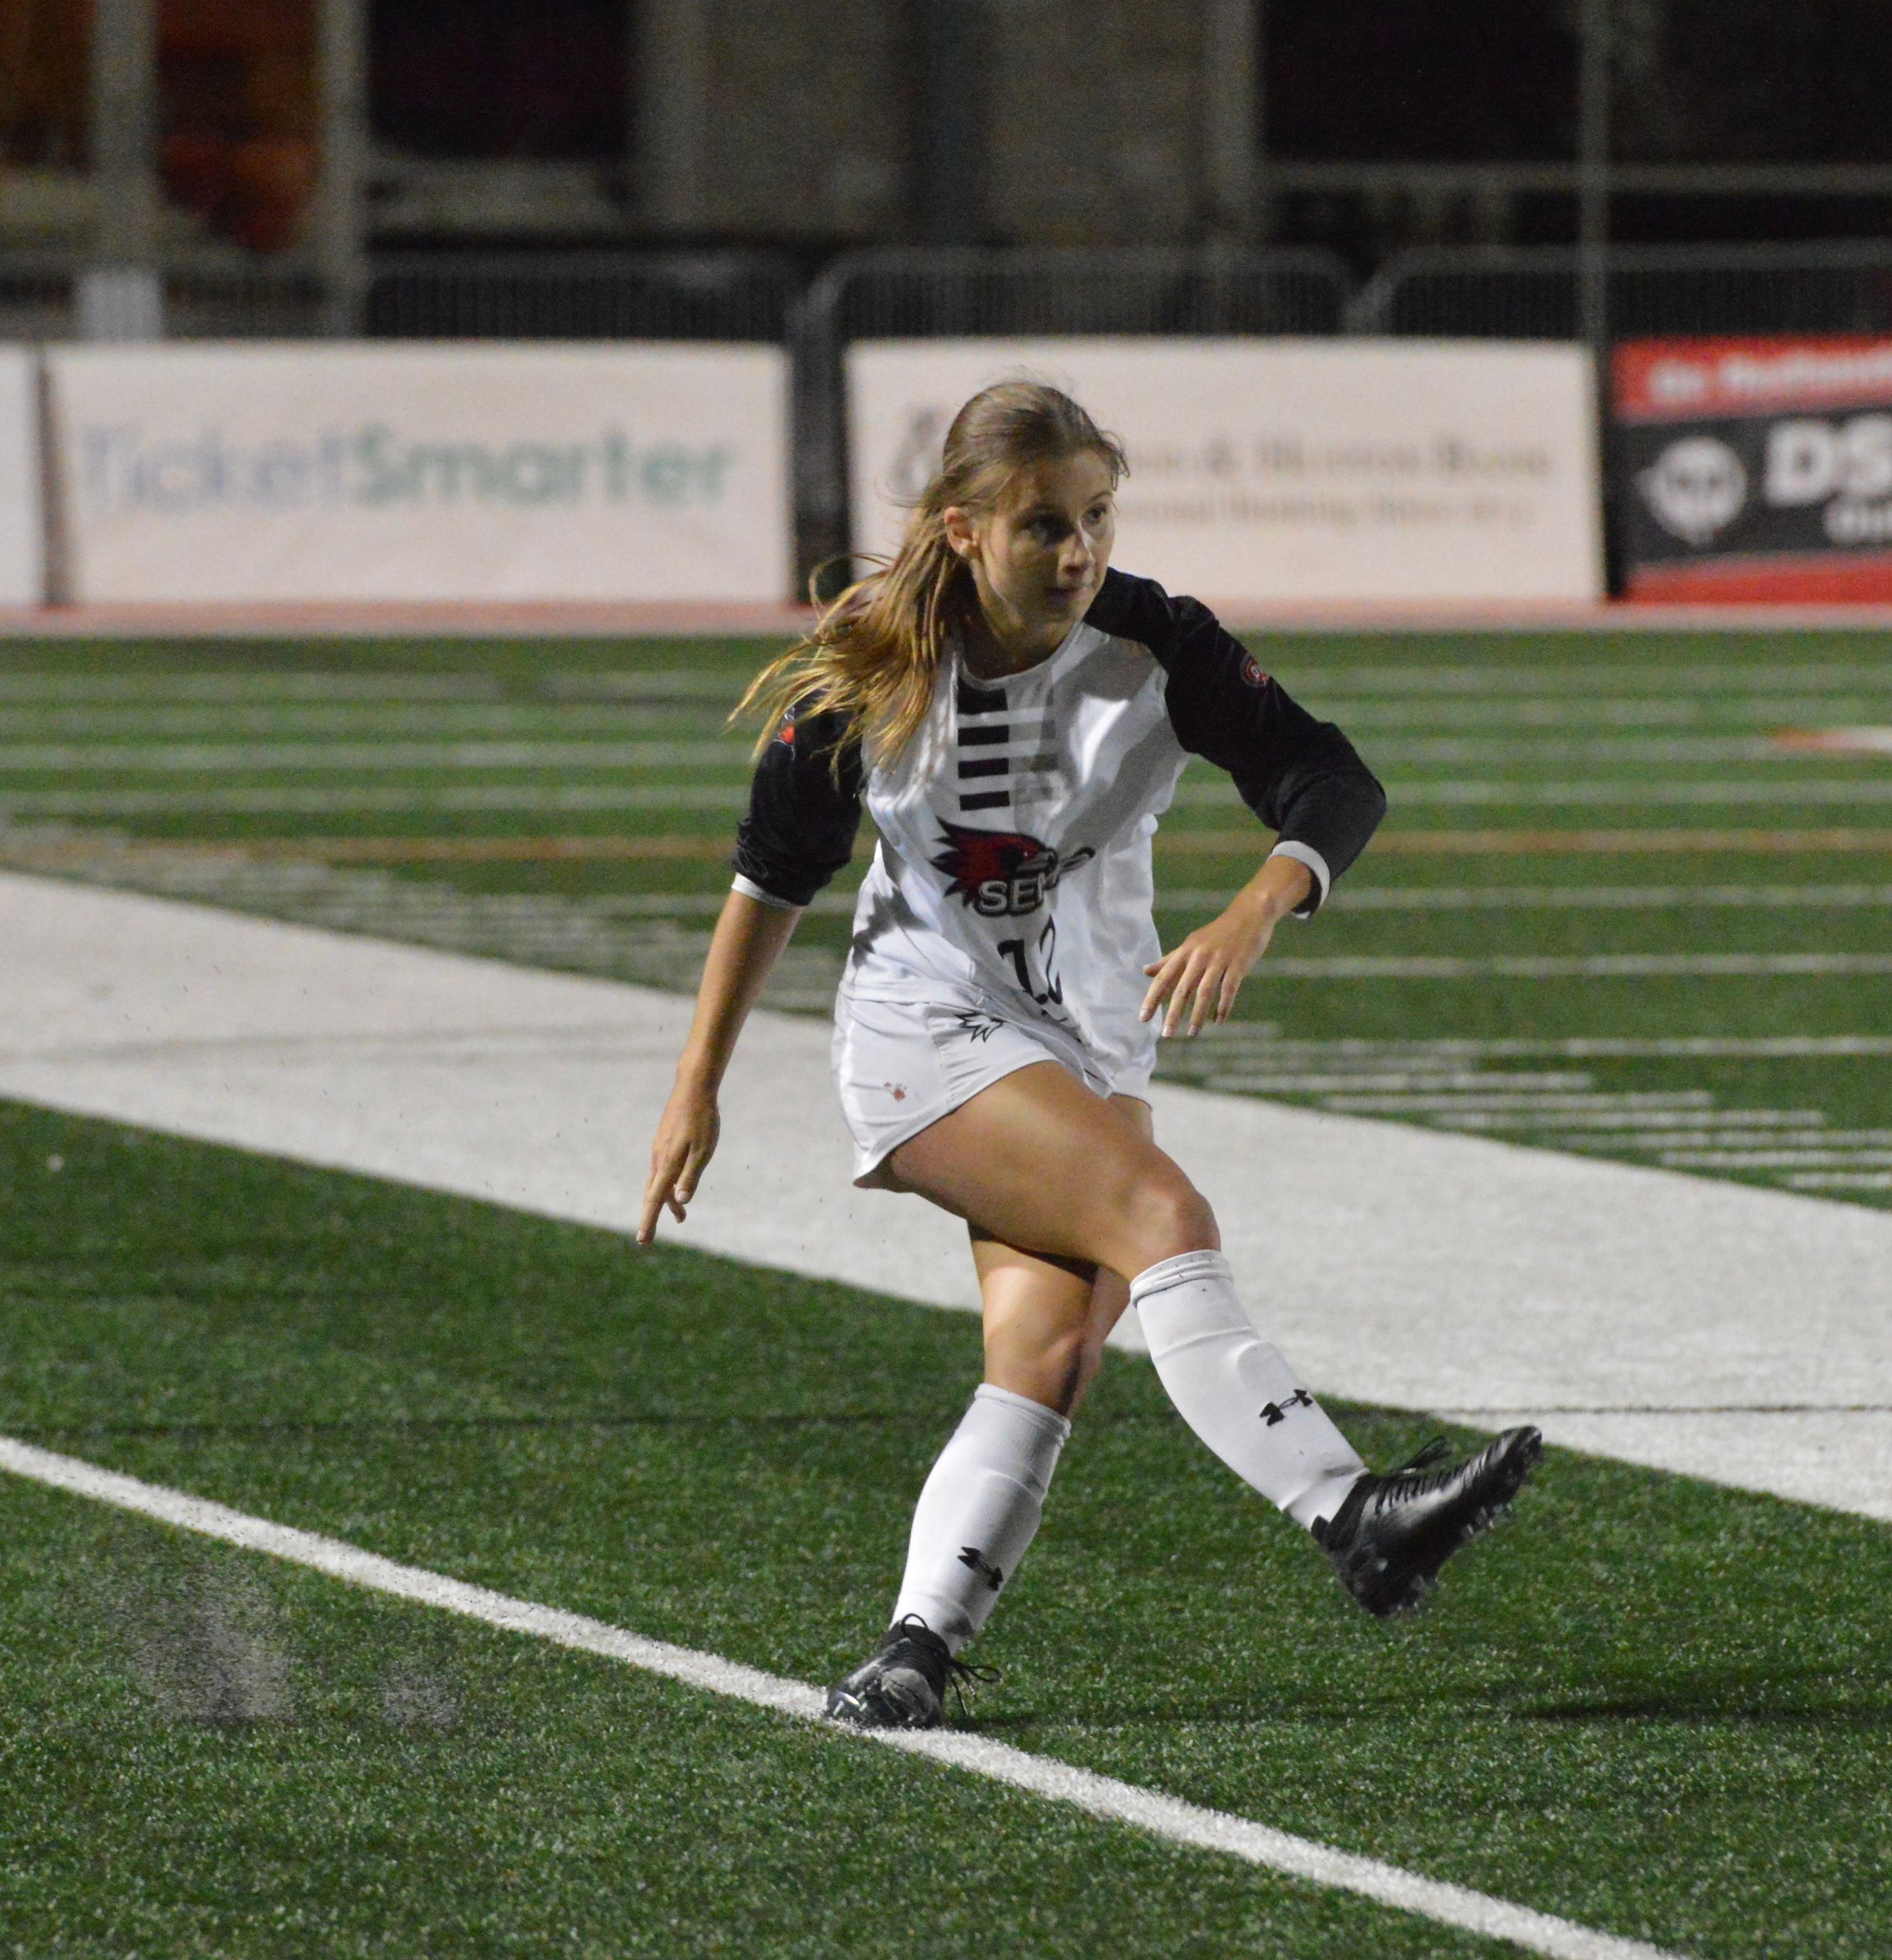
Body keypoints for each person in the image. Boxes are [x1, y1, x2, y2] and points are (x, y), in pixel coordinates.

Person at [638, 381, 1539, 1731]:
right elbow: (773, 878)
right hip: (923, 1037)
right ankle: (1352, 1513)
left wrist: (1257, 904)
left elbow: (1331, 780)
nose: (1080, 554)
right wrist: (695, 1083)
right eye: (1045, 526)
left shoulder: (1154, 639)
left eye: (1099, 519)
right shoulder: (870, 659)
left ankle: (912, 1654)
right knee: (1162, 1214)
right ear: (961, 529)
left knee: (1047, 1351)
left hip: (1085, 1046)